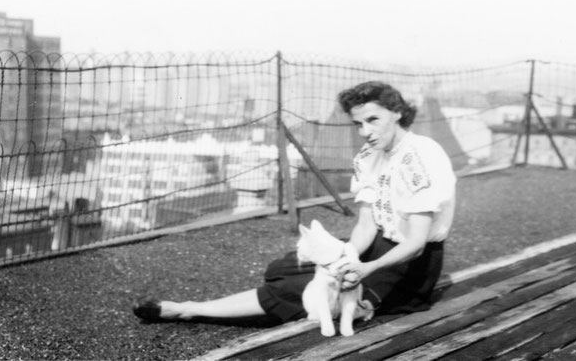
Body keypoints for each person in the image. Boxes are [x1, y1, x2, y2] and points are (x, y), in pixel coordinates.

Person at [133, 81, 456, 324]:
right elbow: (366, 224)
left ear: (397, 112)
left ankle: (189, 310)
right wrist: (349, 255)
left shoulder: (421, 156)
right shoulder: (370, 157)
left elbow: (415, 243)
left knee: (296, 288)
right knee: (287, 269)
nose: (364, 132)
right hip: (375, 251)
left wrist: (365, 268)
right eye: (358, 124)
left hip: (408, 265)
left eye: (373, 120)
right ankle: (193, 309)